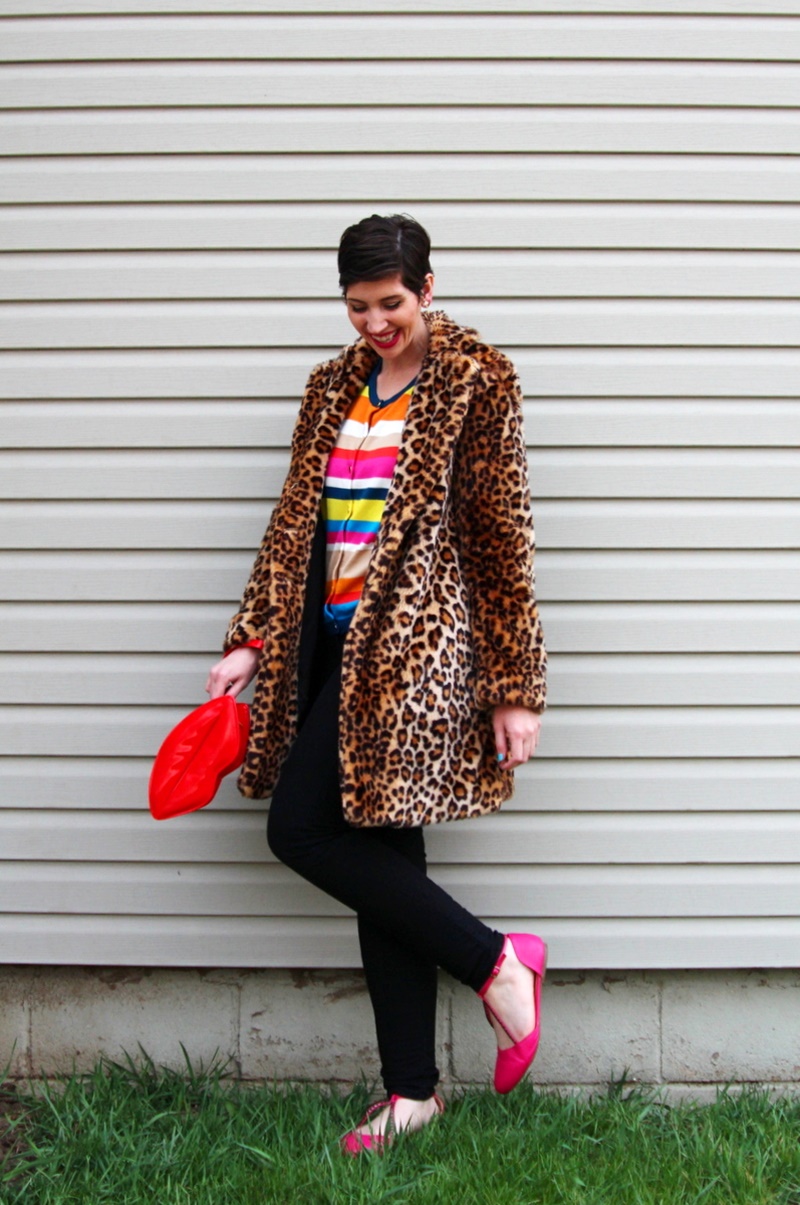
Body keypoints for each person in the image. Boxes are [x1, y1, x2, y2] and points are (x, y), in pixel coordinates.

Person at [206, 214, 547, 1154]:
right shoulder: (330, 388)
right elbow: (292, 526)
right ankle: (412, 1093)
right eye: (357, 307)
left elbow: (499, 538)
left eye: (391, 303)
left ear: (427, 288)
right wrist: (253, 638)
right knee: (385, 864)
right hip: (328, 653)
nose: (374, 323)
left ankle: (496, 962)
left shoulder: (477, 381)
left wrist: (513, 683)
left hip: (410, 663)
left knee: (301, 828)